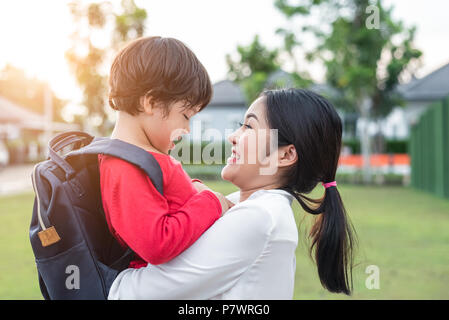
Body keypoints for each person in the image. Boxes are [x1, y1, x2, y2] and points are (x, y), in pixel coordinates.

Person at [108, 88, 357, 299]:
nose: (232, 137)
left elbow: (137, 294)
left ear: (285, 155)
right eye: (241, 125)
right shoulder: (246, 206)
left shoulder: (260, 217)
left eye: (249, 126)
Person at [99, 36, 234, 269]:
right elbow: (157, 243)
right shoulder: (125, 166)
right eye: (185, 116)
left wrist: (195, 189)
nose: (187, 130)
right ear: (151, 103)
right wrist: (212, 203)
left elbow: (167, 196)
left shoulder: (143, 159)